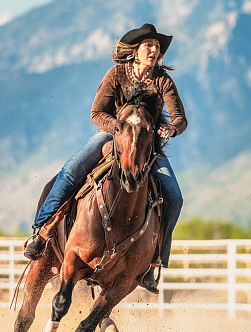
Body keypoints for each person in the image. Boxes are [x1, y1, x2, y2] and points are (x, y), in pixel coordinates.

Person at [23, 23, 187, 294]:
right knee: (71, 170)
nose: (154, 50)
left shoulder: (163, 81)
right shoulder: (116, 74)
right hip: (110, 138)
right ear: (135, 51)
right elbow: (97, 112)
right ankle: (41, 233)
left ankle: (154, 261)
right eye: (149, 45)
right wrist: (118, 129)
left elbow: (180, 118)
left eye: (157, 46)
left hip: (147, 147)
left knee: (174, 196)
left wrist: (171, 128)